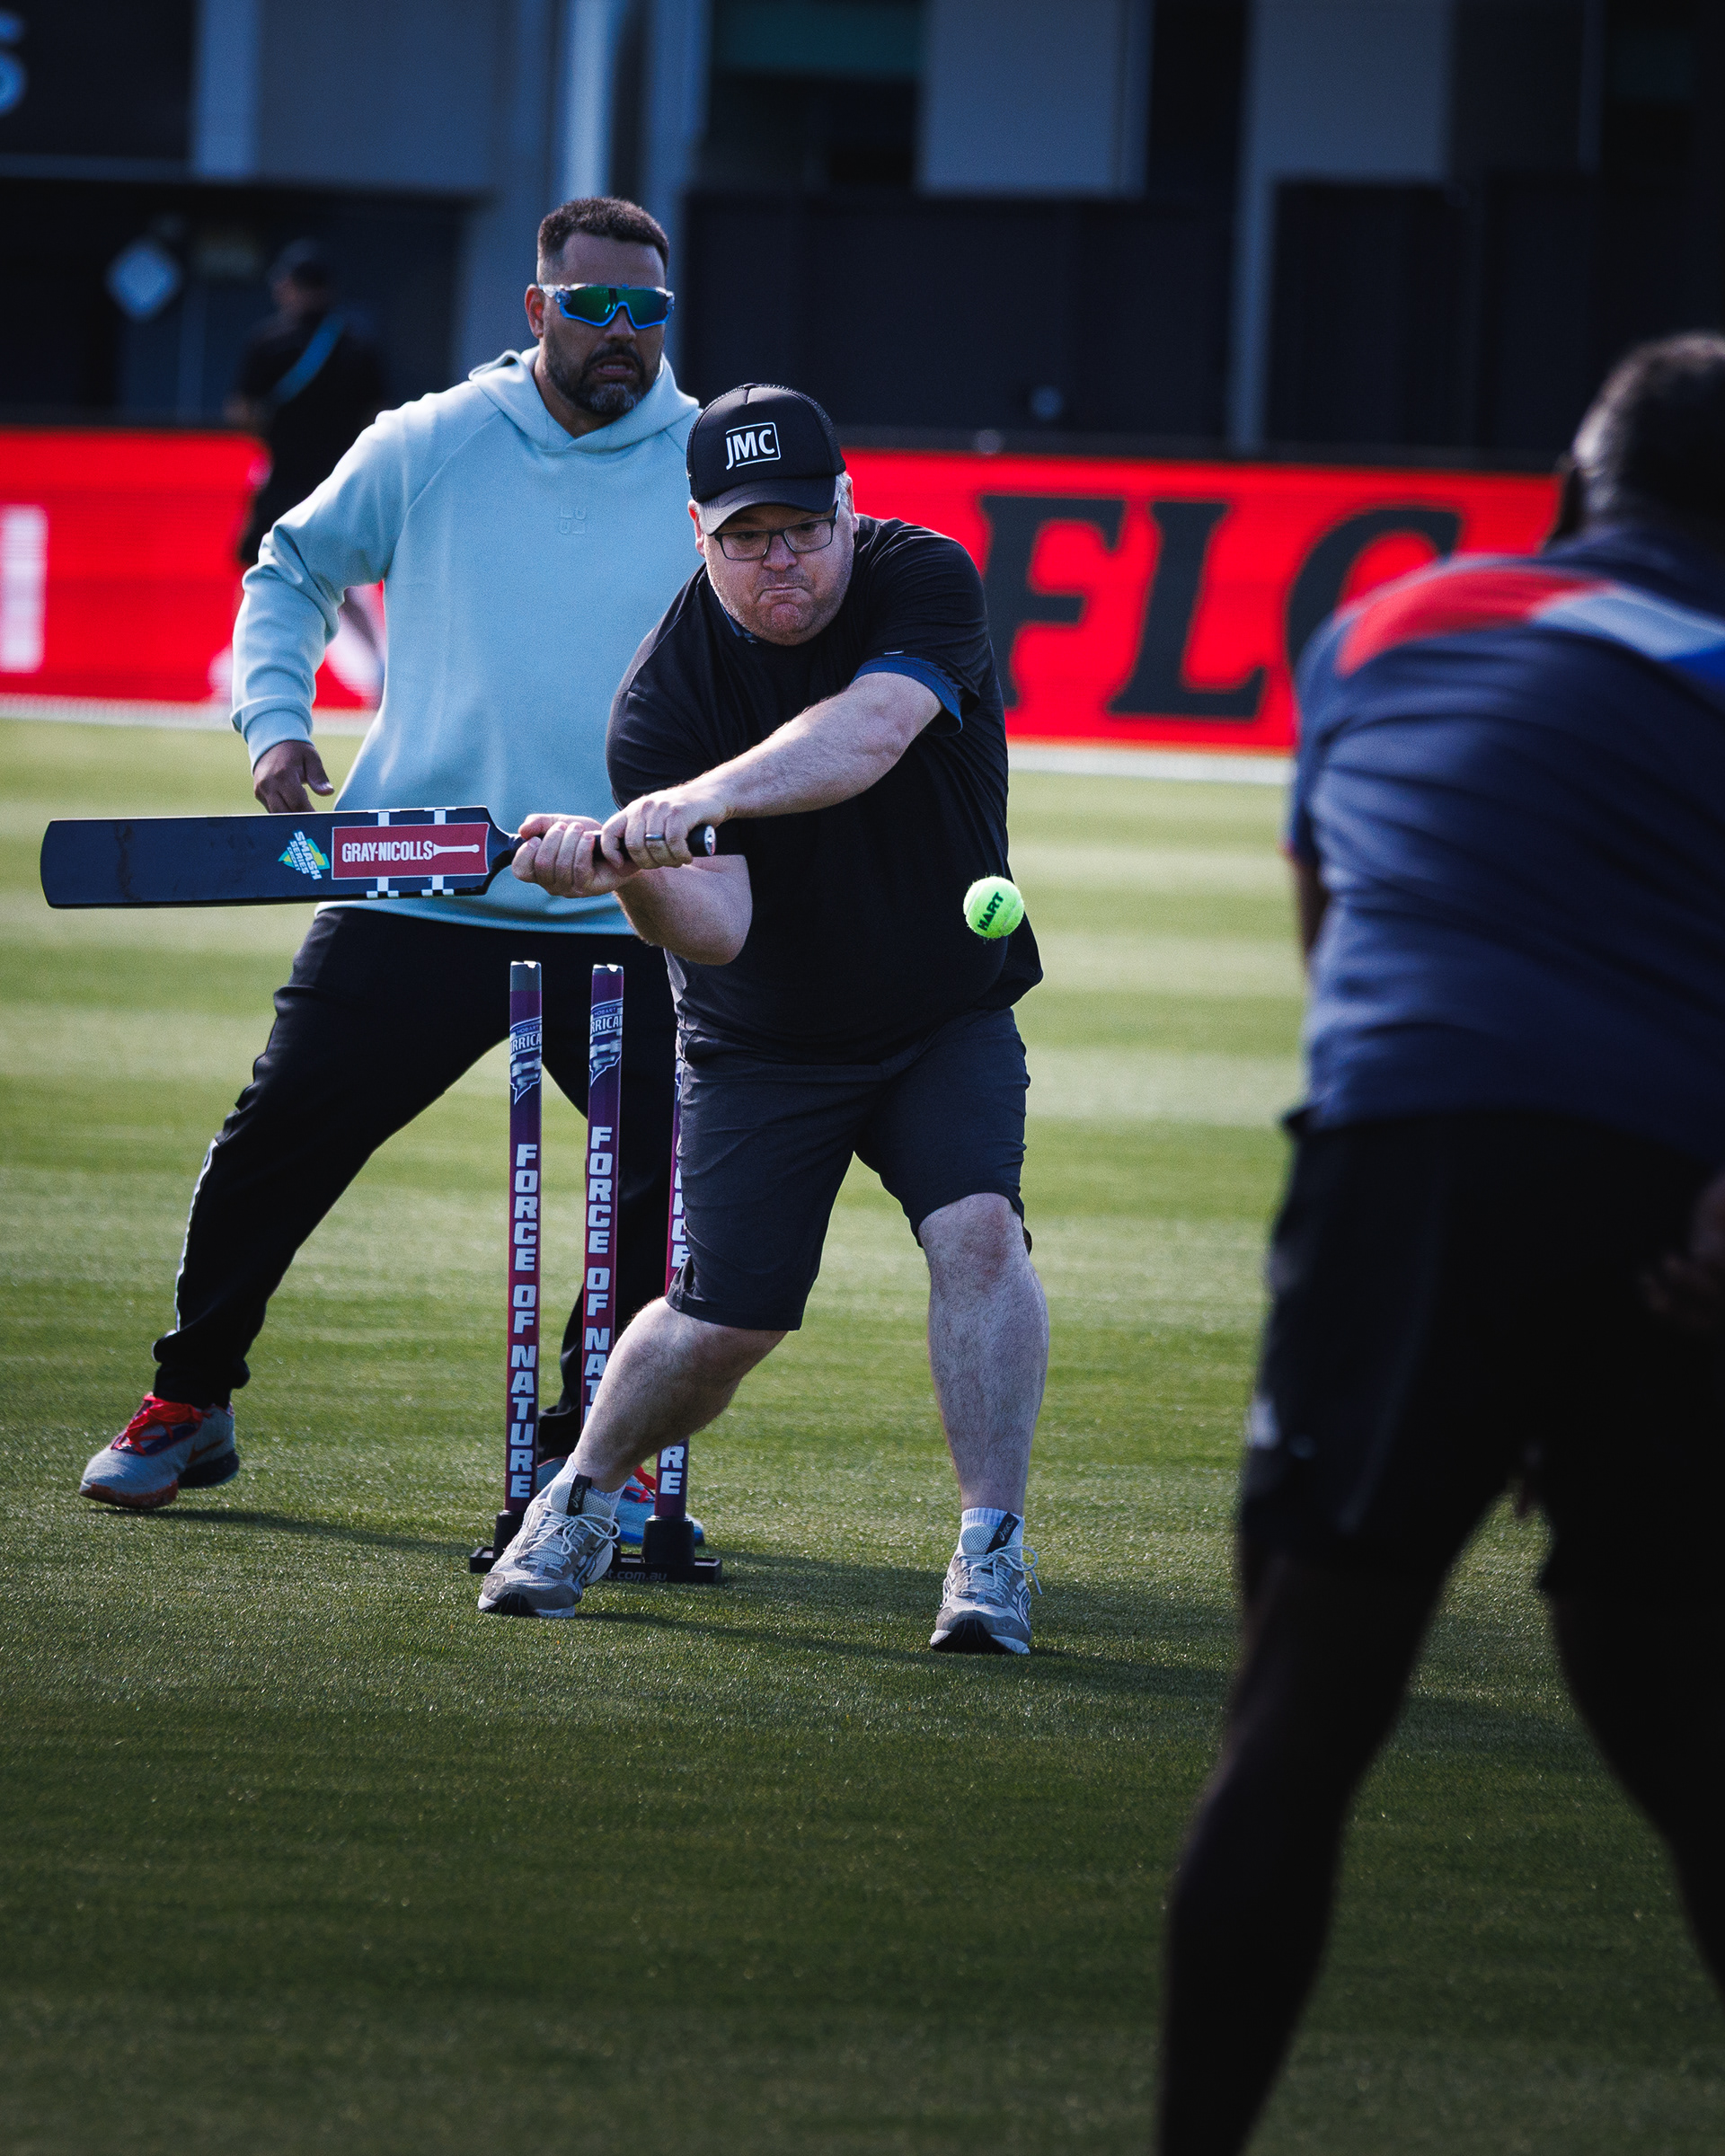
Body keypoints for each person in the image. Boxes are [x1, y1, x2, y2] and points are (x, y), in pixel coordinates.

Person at [1157, 333, 1725, 2153]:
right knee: (1681, 1720)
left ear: (1572, 486)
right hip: (1671, 1215)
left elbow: (1340, 953)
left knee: (1296, 1726)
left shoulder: (1381, 625)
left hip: (1402, 1176)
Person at [80, 197, 701, 1547]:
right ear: (536, 308)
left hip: (631, 900)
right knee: (279, 1138)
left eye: (645, 311)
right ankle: (189, 1398)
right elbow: (290, 566)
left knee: (671, 1185)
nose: (621, 333)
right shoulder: (432, 439)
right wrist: (275, 718)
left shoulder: (709, 459)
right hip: (416, 878)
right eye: (592, 306)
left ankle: (590, 1458)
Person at [475, 383, 1051, 1653]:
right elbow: (718, 929)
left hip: (943, 1009)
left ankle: (990, 1555)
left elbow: (872, 732)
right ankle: (579, 1503)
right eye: (745, 537)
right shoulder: (661, 698)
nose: (779, 558)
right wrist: (626, 872)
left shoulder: (922, 577)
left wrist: (701, 800)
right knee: (723, 1322)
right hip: (764, 1041)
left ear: (847, 506)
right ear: (698, 533)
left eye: (801, 526)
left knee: (979, 1235)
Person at [227, 240, 385, 570]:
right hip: (338, 479)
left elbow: (242, 412)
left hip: (283, 474)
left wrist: (274, 434)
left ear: (288, 285)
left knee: (264, 566)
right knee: (339, 573)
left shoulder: (268, 342)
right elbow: (377, 416)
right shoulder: (358, 345)